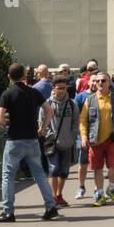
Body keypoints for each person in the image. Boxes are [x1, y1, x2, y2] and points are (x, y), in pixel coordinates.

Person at [0, 64, 59, 222]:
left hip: (14, 140)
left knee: (8, 175)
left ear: (9, 77)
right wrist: (42, 128)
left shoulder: (7, 94)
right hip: (32, 139)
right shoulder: (34, 92)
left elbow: (0, 119)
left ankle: (8, 211)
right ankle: (50, 206)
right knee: (39, 174)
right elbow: (49, 110)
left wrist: (9, 123)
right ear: (24, 76)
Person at [79, 70, 114, 206]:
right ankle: (100, 194)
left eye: (103, 80)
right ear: (94, 83)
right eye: (97, 81)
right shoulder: (89, 99)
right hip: (95, 140)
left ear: (109, 82)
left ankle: (111, 188)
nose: (100, 83)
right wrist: (84, 137)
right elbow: (83, 120)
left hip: (112, 138)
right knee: (97, 168)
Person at [38, 75, 80, 207]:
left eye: (64, 88)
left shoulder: (72, 105)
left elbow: (75, 123)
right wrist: (50, 135)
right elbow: (41, 123)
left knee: (64, 171)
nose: (62, 91)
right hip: (52, 143)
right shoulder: (47, 104)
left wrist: (72, 137)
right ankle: (53, 196)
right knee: (54, 169)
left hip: (67, 143)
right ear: (53, 88)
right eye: (59, 88)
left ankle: (59, 194)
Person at [74, 72, 97, 199]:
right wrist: (78, 131)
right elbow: (75, 115)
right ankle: (81, 187)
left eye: (97, 81)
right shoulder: (80, 97)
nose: (95, 83)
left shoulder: (103, 96)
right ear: (88, 82)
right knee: (82, 163)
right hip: (82, 135)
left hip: (99, 135)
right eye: (92, 81)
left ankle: (97, 189)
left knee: (97, 164)